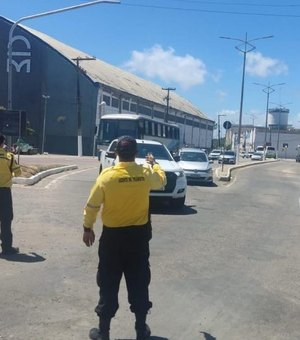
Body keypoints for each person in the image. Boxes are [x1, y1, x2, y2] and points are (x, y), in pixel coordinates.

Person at [82, 136, 166, 340]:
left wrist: (87, 227)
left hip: (112, 240)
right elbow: (161, 182)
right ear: (136, 154)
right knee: (139, 281)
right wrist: (154, 165)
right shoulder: (145, 172)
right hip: (138, 239)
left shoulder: (106, 176)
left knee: (108, 282)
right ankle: (140, 330)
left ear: (116, 154)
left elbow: (92, 205)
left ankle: (104, 332)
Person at [0, 134, 21, 255]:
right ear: (3, 143)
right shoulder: (10, 157)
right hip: (4, 193)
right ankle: (7, 248)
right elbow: (18, 173)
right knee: (6, 220)